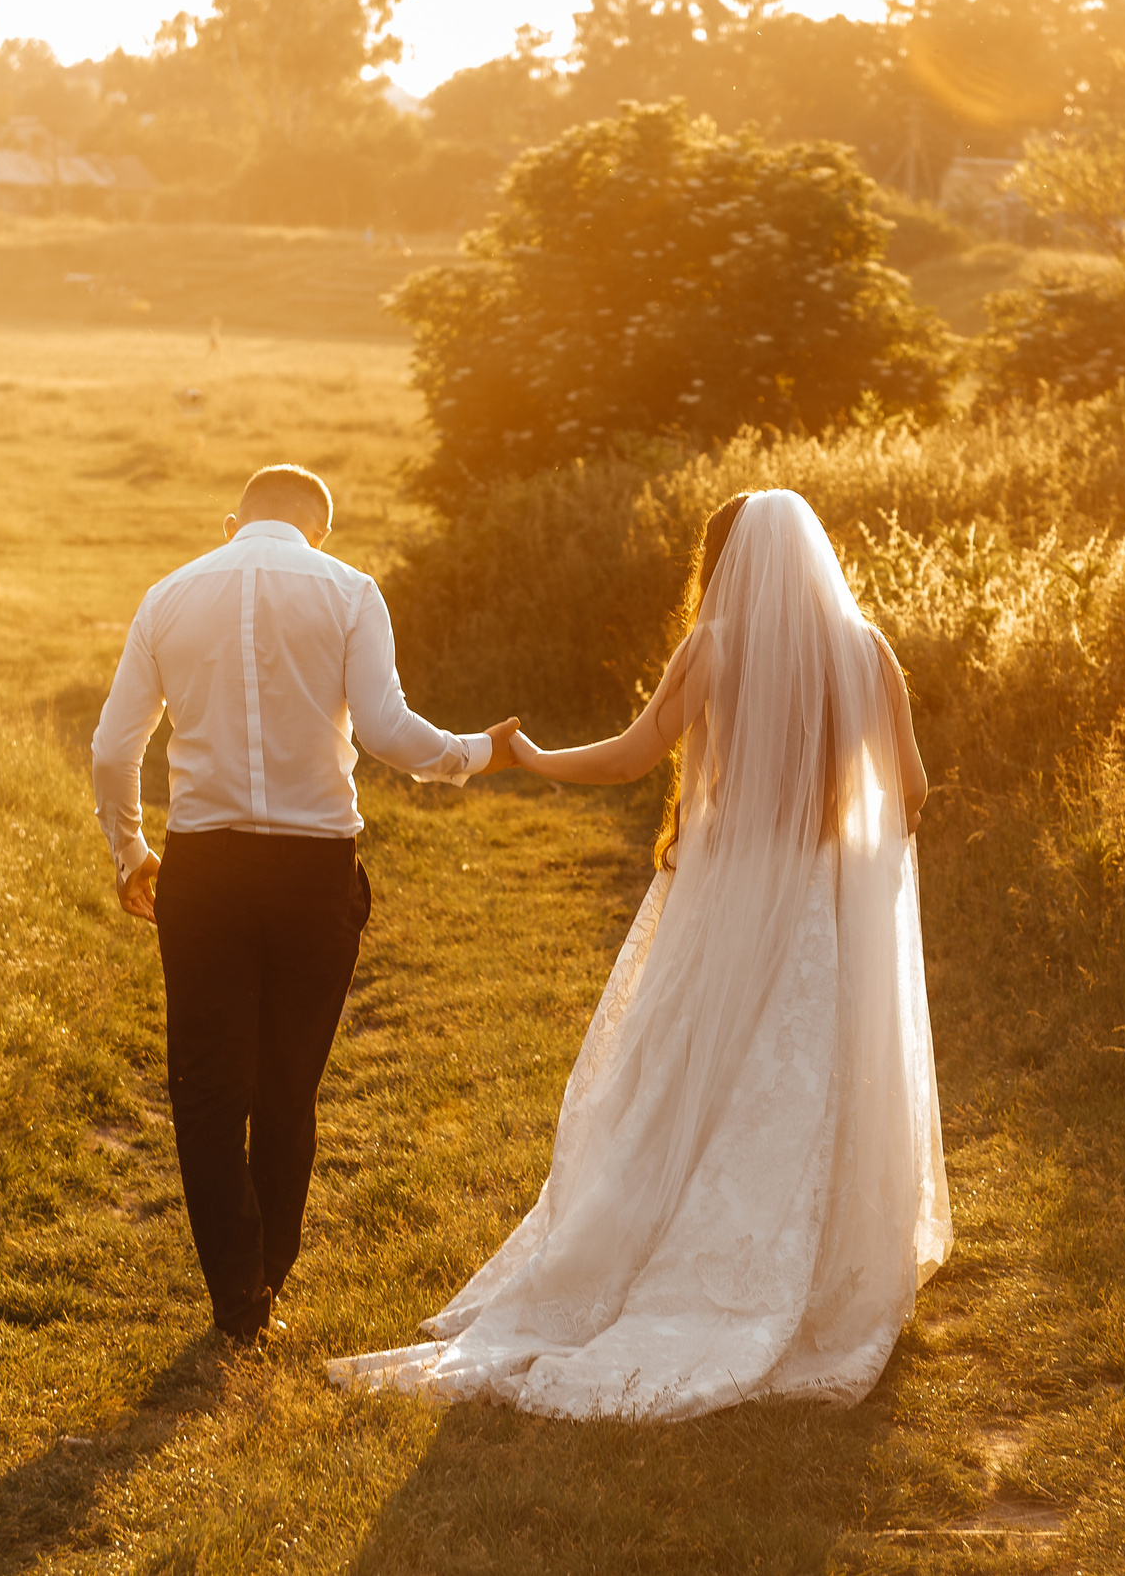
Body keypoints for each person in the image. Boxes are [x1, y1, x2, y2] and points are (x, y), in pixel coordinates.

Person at [328, 489, 950, 1418]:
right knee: (809, 1081)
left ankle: (654, 1254)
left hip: (727, 895)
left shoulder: (715, 649)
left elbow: (627, 758)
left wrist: (530, 756)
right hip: (824, 909)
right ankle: (818, 1270)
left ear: (727, 562)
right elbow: (912, 790)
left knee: (683, 1076)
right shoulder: (869, 654)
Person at [92, 464, 519, 1345]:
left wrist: (133, 850)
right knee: (288, 1087)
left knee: (207, 1088)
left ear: (230, 523)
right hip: (314, 871)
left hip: (203, 872)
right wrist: (481, 750)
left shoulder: (167, 596)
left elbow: (111, 750)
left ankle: (237, 1301)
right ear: (317, 531)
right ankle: (268, 1282)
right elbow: (391, 732)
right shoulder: (351, 590)